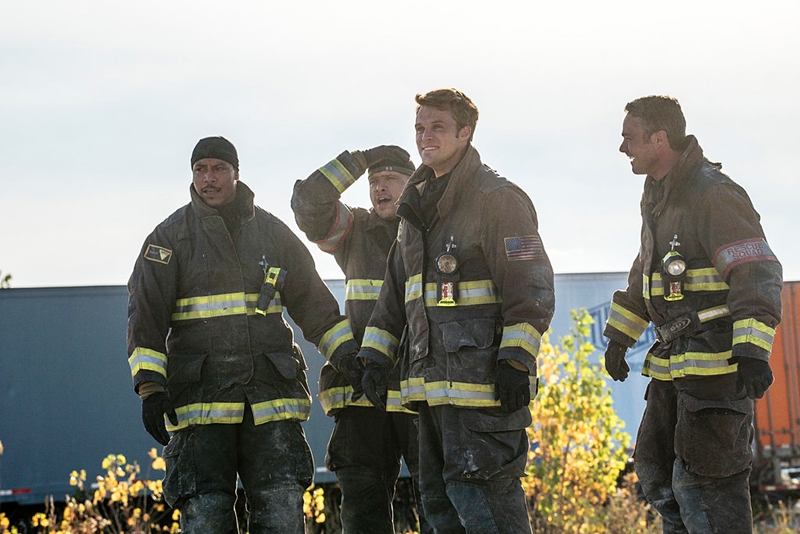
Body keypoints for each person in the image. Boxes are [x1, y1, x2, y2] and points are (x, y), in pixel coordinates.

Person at [126, 136, 360, 534]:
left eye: (219, 169)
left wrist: (348, 356)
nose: (209, 178)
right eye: (200, 170)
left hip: (270, 399)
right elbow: (145, 317)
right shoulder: (168, 239)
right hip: (201, 404)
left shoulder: (273, 234)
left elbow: (315, 306)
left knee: (281, 509)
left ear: (236, 173)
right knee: (206, 513)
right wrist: (150, 389)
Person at [356, 88, 555, 533]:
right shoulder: (414, 208)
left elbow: (532, 287)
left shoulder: (498, 199)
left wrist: (516, 359)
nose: (425, 137)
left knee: (488, 511)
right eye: (419, 128)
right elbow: (395, 294)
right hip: (430, 392)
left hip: (484, 392)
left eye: (438, 127)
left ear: (465, 133)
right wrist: (375, 357)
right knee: (440, 509)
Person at [603, 96, 783, 533]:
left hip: (716, 376)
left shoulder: (712, 194)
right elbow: (646, 274)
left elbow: (756, 271)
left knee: (708, 489)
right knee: (660, 479)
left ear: (659, 139)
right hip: (672, 373)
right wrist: (620, 337)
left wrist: (752, 351)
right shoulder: (659, 197)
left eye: (629, 137)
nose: (622, 148)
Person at [291, 146, 430, 533]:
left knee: (440, 505)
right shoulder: (355, 230)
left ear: (413, 184)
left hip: (422, 392)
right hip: (361, 393)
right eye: (374, 182)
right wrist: (360, 160)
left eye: (390, 180)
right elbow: (308, 204)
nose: (379, 188)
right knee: (363, 512)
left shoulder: (434, 229)